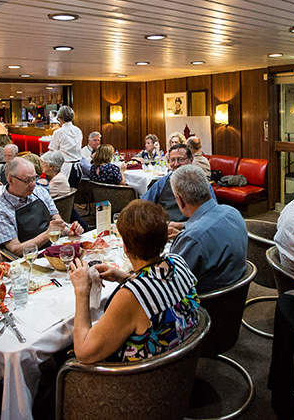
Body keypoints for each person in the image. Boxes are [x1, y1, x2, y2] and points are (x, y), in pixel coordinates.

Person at [68, 200, 200, 362]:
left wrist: (81, 290)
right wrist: (121, 277)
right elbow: (159, 289)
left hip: (136, 380)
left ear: (125, 247)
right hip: (181, 363)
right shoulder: (178, 261)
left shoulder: (131, 296)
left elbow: (83, 353)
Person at [169, 165, 247, 292]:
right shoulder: (233, 212)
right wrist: (184, 227)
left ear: (180, 200)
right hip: (233, 295)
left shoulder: (193, 239)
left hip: (203, 302)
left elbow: (169, 284)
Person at [0, 157, 82, 256]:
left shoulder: (40, 192)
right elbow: (15, 249)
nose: (33, 184)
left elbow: (58, 221)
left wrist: (69, 230)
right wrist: (47, 234)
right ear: (11, 179)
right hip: (28, 259)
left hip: (53, 250)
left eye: (34, 178)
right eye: (27, 180)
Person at [141, 144, 216, 224]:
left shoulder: (202, 183)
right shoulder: (162, 183)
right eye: (172, 160)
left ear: (190, 160)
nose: (176, 164)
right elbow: (143, 206)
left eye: (180, 159)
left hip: (194, 228)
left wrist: (183, 225)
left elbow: (212, 214)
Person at [47, 105, 84, 187]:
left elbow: (52, 151)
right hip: (78, 167)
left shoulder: (59, 132)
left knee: (63, 192)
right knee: (73, 191)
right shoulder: (78, 130)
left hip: (66, 168)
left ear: (60, 118)